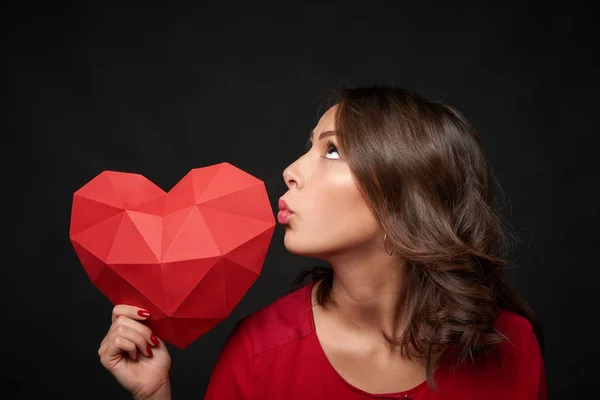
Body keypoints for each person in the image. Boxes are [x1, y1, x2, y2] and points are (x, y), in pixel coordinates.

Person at [97, 86, 547, 399]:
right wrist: (154, 395)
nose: (291, 169)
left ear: (404, 198)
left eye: (331, 150)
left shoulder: (512, 347)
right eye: (308, 146)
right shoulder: (258, 352)